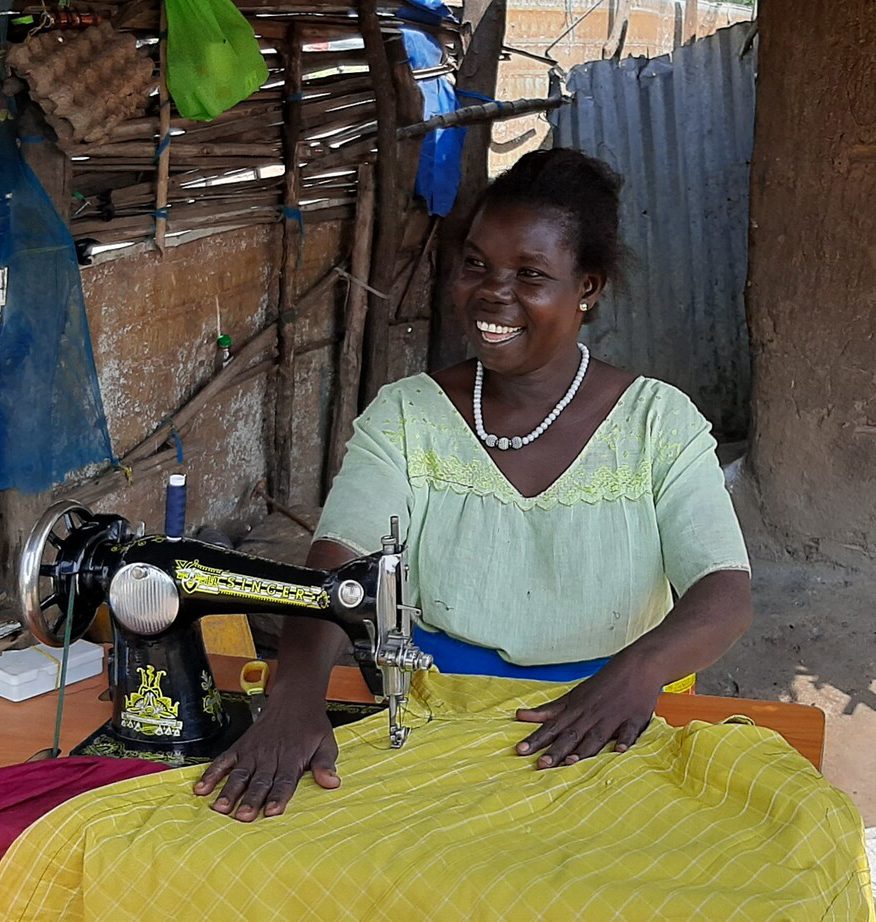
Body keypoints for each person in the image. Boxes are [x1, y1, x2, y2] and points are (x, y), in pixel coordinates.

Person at [194, 148, 753, 822]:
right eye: (476, 265)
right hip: (441, 714)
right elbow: (339, 566)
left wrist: (633, 675)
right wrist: (293, 696)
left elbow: (722, 590)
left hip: (623, 715)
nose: (493, 292)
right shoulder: (408, 417)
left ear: (587, 289)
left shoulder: (656, 423)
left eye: (530, 274)